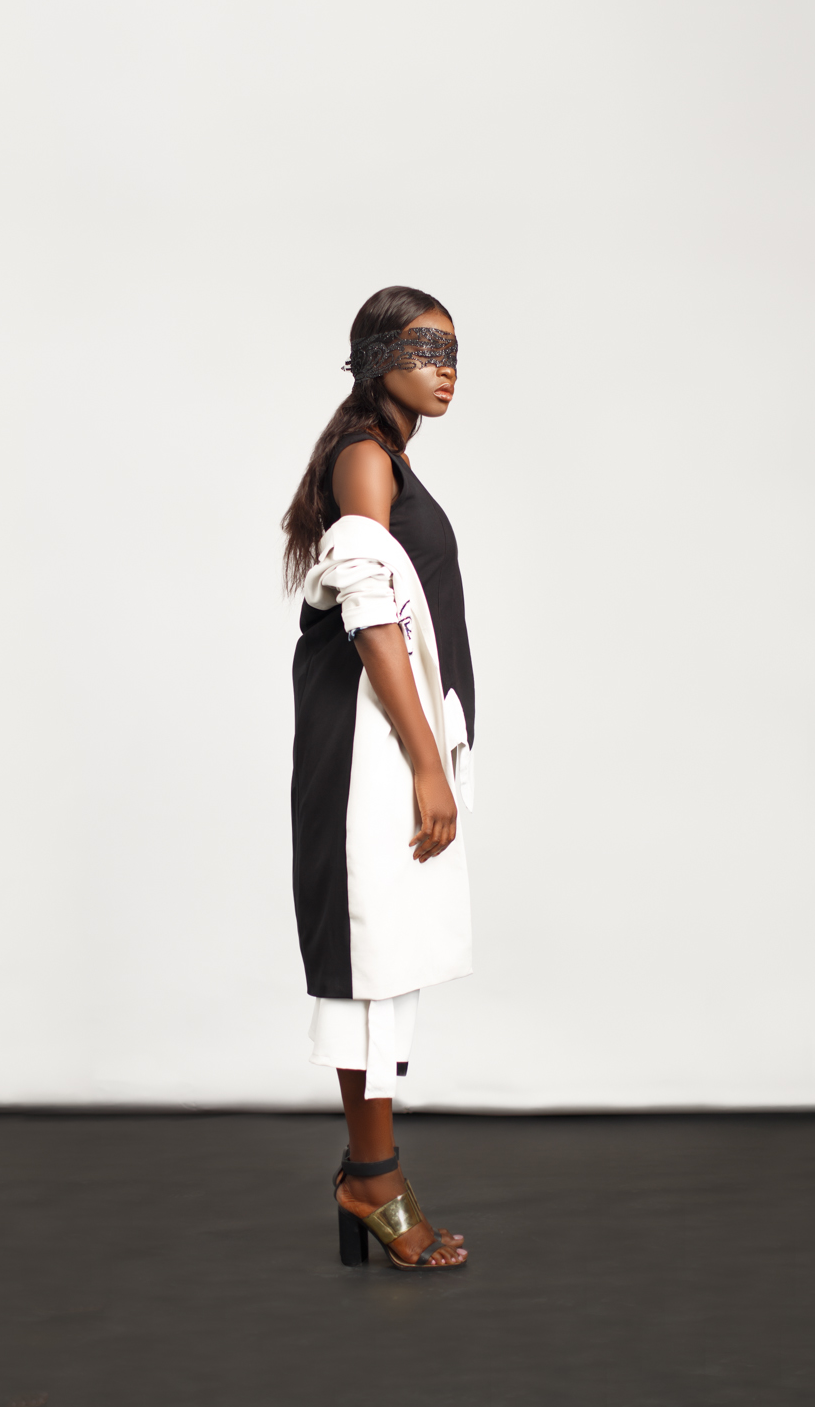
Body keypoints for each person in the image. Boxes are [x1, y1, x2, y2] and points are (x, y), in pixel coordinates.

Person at [282, 286, 476, 1270]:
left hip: (381, 745)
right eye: (426, 347)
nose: (446, 367)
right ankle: (374, 1181)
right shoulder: (365, 456)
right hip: (366, 749)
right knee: (366, 962)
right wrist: (425, 763)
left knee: (387, 957)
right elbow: (367, 608)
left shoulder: (386, 458)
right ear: (375, 358)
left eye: (455, 351)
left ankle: (372, 1173)